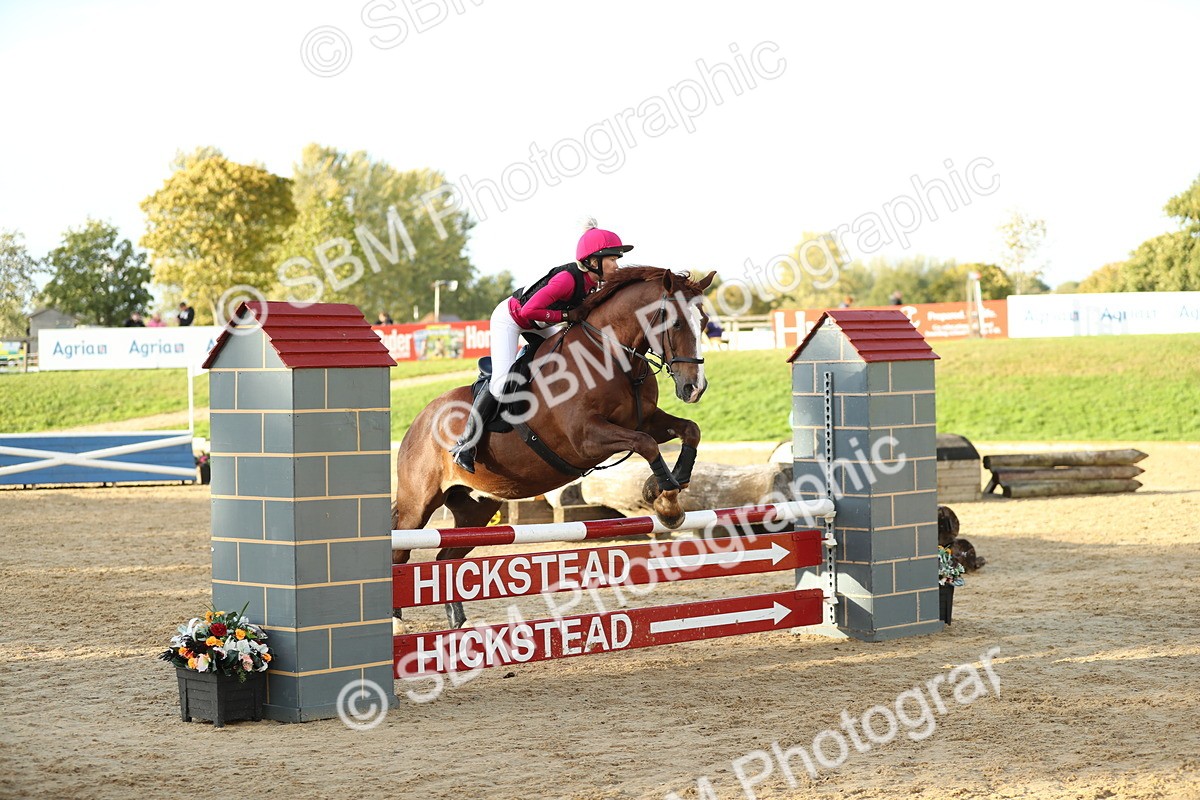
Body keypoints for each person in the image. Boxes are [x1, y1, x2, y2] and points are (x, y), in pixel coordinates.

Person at [449, 218, 630, 473]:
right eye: (612, 258)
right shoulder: (567, 279)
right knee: (501, 385)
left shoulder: (595, 282)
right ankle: (465, 443)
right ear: (593, 261)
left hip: (540, 321)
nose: (616, 264)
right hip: (512, 319)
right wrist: (567, 316)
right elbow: (529, 309)